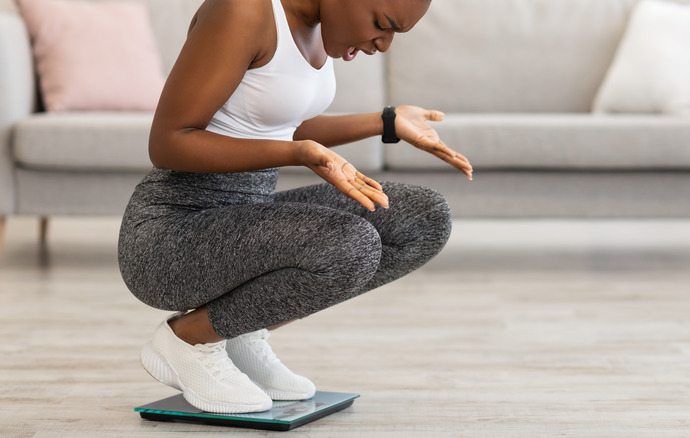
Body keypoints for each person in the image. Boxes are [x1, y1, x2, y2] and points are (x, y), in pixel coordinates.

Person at [118, 0, 472, 414]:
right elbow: (169, 141)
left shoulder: (317, 26)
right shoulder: (243, 11)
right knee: (348, 244)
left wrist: (386, 121)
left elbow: (279, 122)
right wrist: (299, 154)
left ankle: (240, 330)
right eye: (381, 24)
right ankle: (188, 339)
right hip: (171, 236)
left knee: (421, 218)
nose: (384, 44)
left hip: (244, 223)